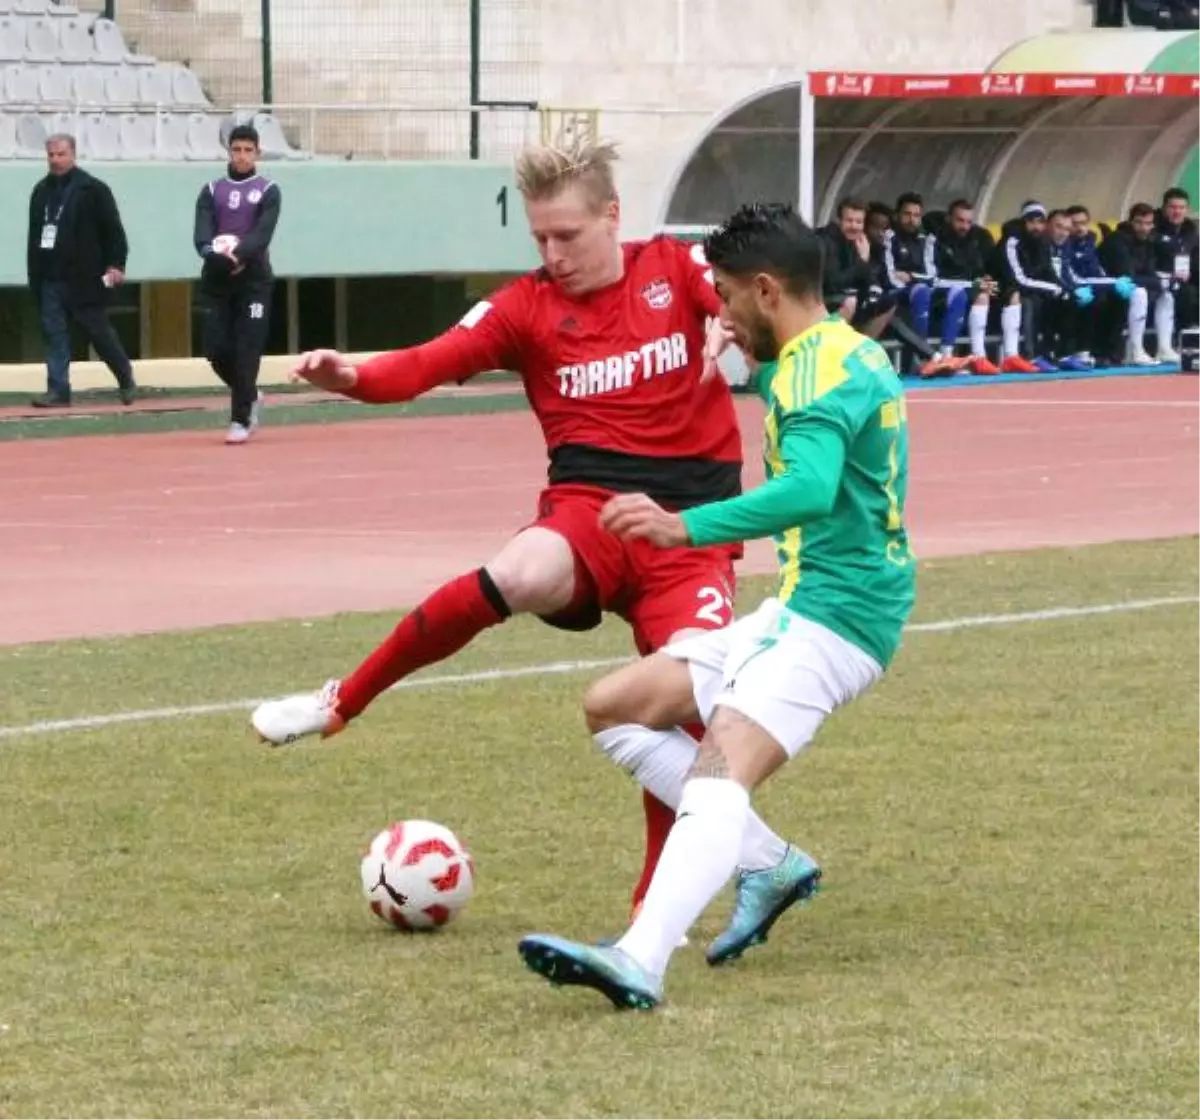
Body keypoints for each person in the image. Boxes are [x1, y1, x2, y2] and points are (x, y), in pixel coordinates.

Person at [250, 137, 773, 922]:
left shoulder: (673, 267)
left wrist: (735, 323)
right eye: (539, 239)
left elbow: (746, 299)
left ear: (612, 217)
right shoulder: (525, 308)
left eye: (568, 236)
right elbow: (426, 363)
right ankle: (342, 700)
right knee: (520, 572)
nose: (553, 254)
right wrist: (353, 376)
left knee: (683, 707)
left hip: (689, 532)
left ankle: (655, 905)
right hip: (589, 514)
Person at [517, 201, 917, 1010]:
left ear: (766, 290)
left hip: (834, 619)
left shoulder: (809, 371)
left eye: (729, 297)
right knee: (617, 709)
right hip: (812, 602)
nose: (721, 314)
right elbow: (819, 439)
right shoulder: (843, 349)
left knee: (716, 767)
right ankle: (767, 863)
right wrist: (757, 362)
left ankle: (641, 959)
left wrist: (680, 526)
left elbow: (806, 487)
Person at [26, 132, 137, 409]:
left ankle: (125, 378)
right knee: (54, 335)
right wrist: (34, 276)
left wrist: (116, 264)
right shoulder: (40, 191)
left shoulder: (94, 189)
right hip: (50, 278)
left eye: (61, 154)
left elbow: (113, 231)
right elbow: (34, 236)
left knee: (99, 333)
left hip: (85, 278)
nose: (55, 160)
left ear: (73, 154)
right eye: (50, 155)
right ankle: (58, 390)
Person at [193, 124, 281, 444]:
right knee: (215, 349)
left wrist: (239, 256)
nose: (242, 156)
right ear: (229, 152)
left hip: (254, 281)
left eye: (248, 150)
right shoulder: (211, 190)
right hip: (218, 279)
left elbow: (262, 233)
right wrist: (216, 257)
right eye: (236, 150)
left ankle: (240, 419)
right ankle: (250, 393)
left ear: (257, 153)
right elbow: (202, 236)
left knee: (247, 349)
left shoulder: (269, 190)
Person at [924, 199, 1000, 374]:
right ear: (949, 218)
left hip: (961, 289)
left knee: (983, 294)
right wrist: (973, 284)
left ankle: (979, 357)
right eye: (960, 220)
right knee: (961, 293)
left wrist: (985, 280)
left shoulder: (973, 240)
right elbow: (933, 278)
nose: (964, 226)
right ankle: (946, 356)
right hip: (936, 292)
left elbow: (976, 271)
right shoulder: (934, 239)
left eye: (968, 222)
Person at [1099, 202, 1176, 365]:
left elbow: (1149, 271)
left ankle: (1164, 348)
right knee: (1139, 292)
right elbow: (1127, 276)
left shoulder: (1147, 242)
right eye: (1139, 222)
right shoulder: (1117, 240)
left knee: (1166, 295)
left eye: (1148, 224)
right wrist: (1159, 282)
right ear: (1130, 222)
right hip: (1109, 287)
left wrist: (1164, 282)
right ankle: (1136, 350)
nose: (1143, 228)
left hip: (1130, 286)